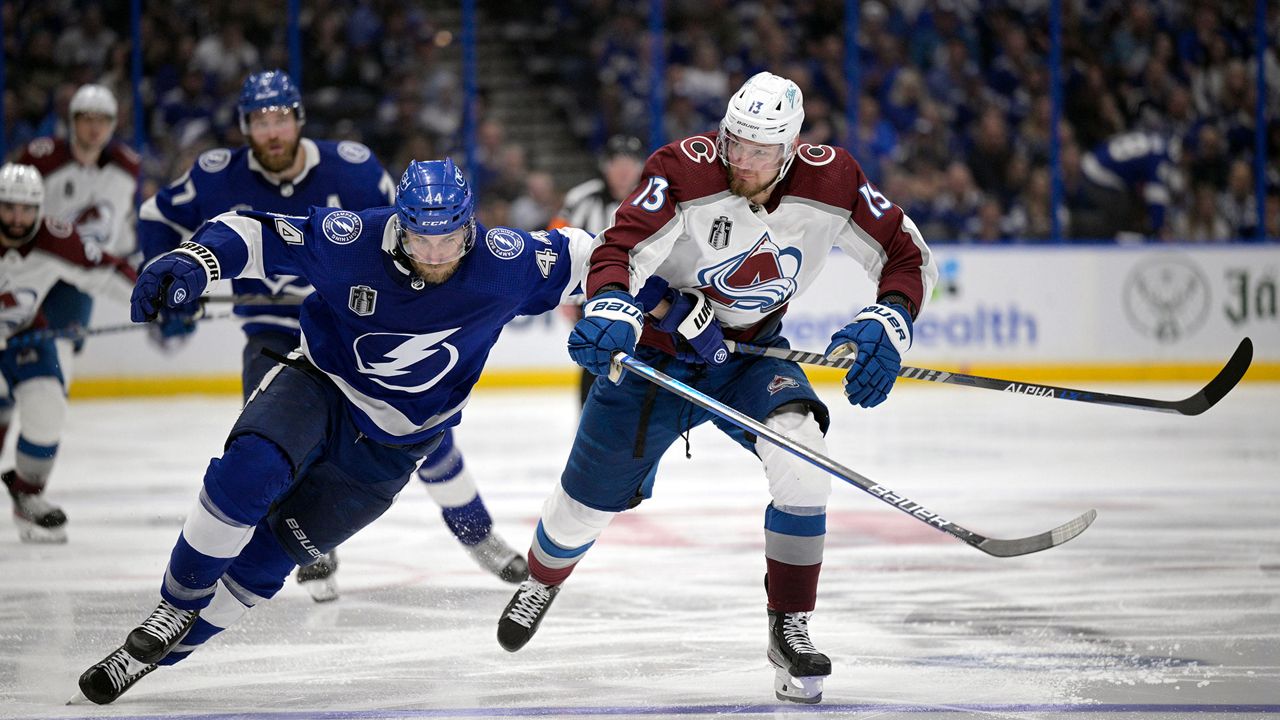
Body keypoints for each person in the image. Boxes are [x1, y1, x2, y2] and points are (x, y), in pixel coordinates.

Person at [75, 158, 614, 705]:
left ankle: (151, 658)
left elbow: (604, 256)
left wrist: (641, 308)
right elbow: (253, 232)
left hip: (392, 451)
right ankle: (174, 604)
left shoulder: (510, 263)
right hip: (321, 387)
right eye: (420, 238)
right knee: (249, 471)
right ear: (400, 224)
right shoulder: (353, 239)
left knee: (269, 559)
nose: (434, 255)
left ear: (469, 225)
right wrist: (198, 260)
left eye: (448, 239)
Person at [495, 72, 937, 704]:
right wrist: (619, 308)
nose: (743, 161)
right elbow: (620, 248)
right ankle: (543, 578)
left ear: (790, 150)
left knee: (805, 455)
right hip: (657, 360)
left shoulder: (834, 182)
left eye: (761, 152)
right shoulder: (683, 168)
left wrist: (891, 320)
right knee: (582, 503)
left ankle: (789, 626)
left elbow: (905, 254)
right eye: (736, 143)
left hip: (748, 358)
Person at [137, 69, 525, 602]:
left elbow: (399, 232)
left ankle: (479, 537)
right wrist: (183, 268)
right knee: (270, 436)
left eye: (280, 119)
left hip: (357, 323)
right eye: (259, 121)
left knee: (424, 432)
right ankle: (309, 539)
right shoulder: (214, 174)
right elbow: (156, 216)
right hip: (278, 332)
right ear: (244, 127)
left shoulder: (354, 167)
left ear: (298, 119)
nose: (271, 132)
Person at [0, 163, 136, 543]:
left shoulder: (54, 238)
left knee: (48, 408)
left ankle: (27, 494)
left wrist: (158, 299)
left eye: (26, 209)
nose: (16, 218)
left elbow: (107, 272)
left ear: (40, 209)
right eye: (8, 208)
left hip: (27, 335)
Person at [16, 83, 138, 376]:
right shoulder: (43, 159)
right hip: (32, 271)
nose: (95, 127)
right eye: (87, 118)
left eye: (103, 120)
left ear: (112, 124)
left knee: (60, 360)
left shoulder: (125, 169)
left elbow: (121, 227)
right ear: (72, 121)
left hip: (81, 277)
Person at [548, 134, 646, 405]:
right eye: (617, 162)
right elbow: (555, 244)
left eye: (630, 163)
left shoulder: (652, 198)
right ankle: (590, 423)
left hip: (646, 292)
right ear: (606, 166)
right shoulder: (582, 198)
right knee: (596, 355)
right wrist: (564, 296)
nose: (624, 171)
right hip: (588, 293)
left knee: (643, 358)